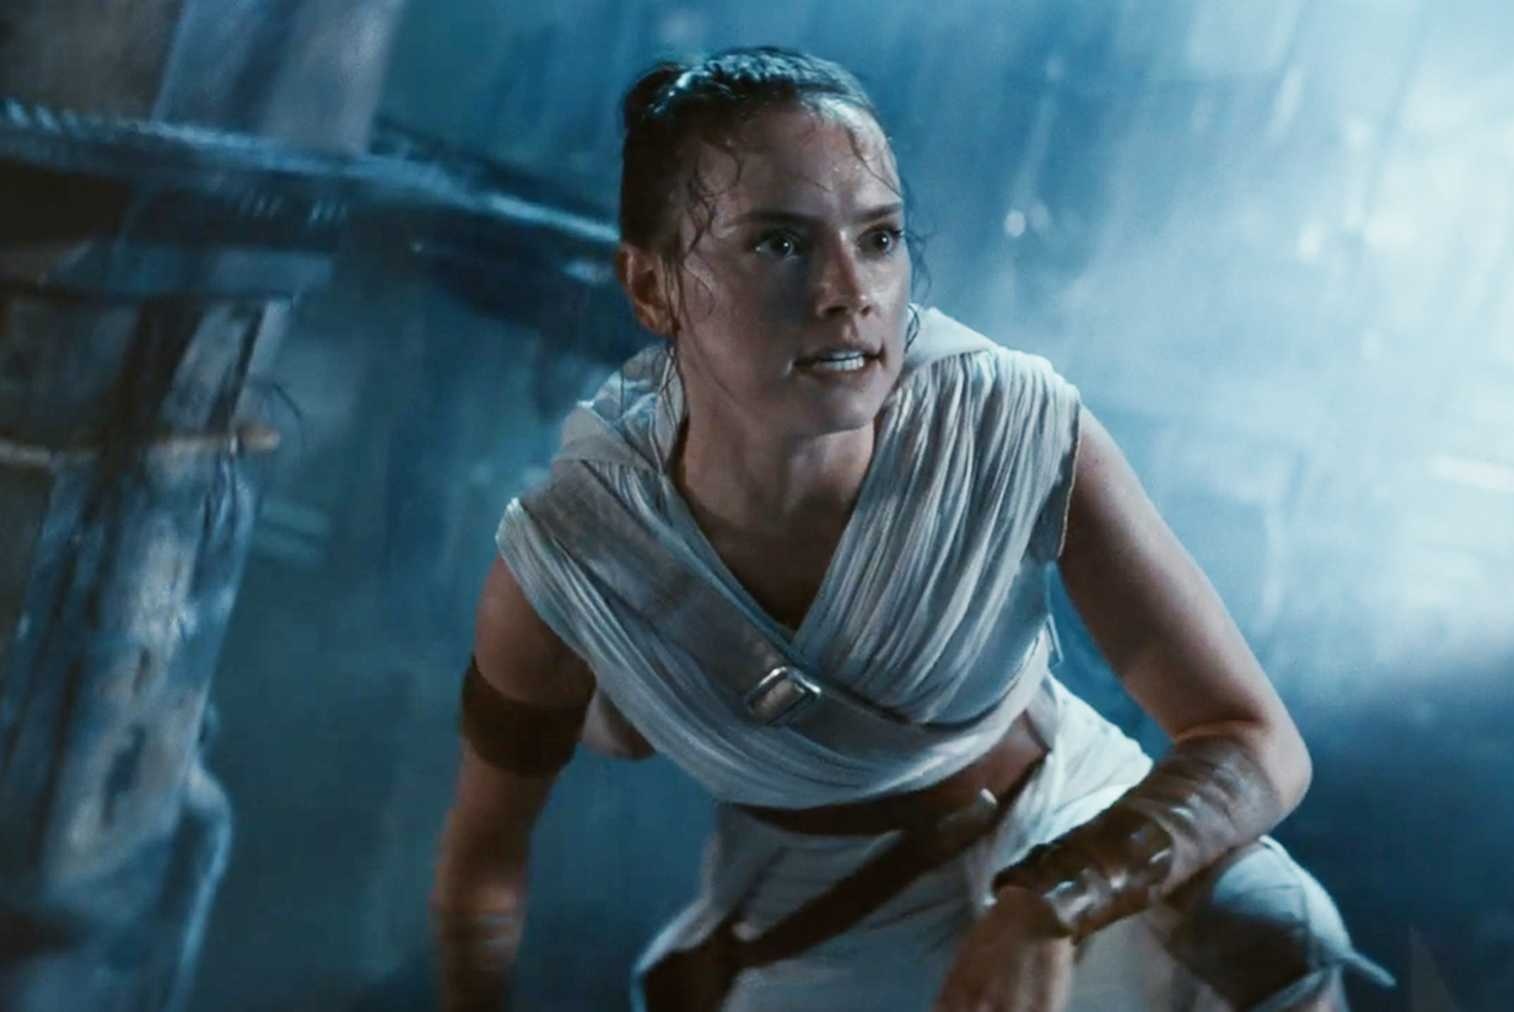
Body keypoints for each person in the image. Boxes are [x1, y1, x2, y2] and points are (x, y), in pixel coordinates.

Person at [429, 46, 1392, 1012]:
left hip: (1071, 825)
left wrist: (1056, 899)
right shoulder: (574, 560)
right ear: (652, 287)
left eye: (881, 237)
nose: (849, 289)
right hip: (825, 915)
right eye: (780, 243)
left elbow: (1254, 740)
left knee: (1272, 926)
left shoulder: (1006, 427)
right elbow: (481, 872)